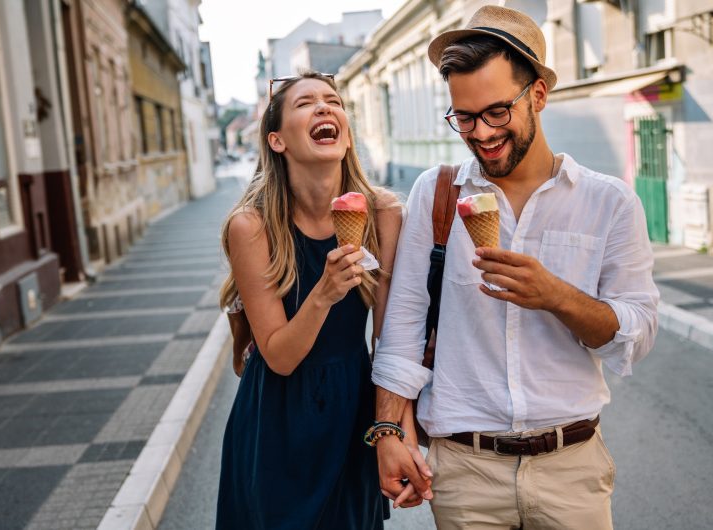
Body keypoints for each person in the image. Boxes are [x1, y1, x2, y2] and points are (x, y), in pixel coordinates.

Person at [371, 6, 660, 529]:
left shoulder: (609, 202)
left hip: (571, 469)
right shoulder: (437, 196)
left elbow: (636, 336)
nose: (480, 133)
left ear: (539, 96)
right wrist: (387, 433)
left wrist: (557, 295)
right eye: (464, 117)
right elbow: (403, 328)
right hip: (465, 472)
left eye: (497, 112)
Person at [216, 72, 407, 529]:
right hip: (277, 418)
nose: (324, 108)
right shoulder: (253, 227)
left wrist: (394, 431)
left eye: (332, 101)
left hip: (352, 411)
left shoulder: (384, 214)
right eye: (305, 104)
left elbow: (392, 339)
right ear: (277, 140)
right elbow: (278, 356)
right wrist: (324, 291)